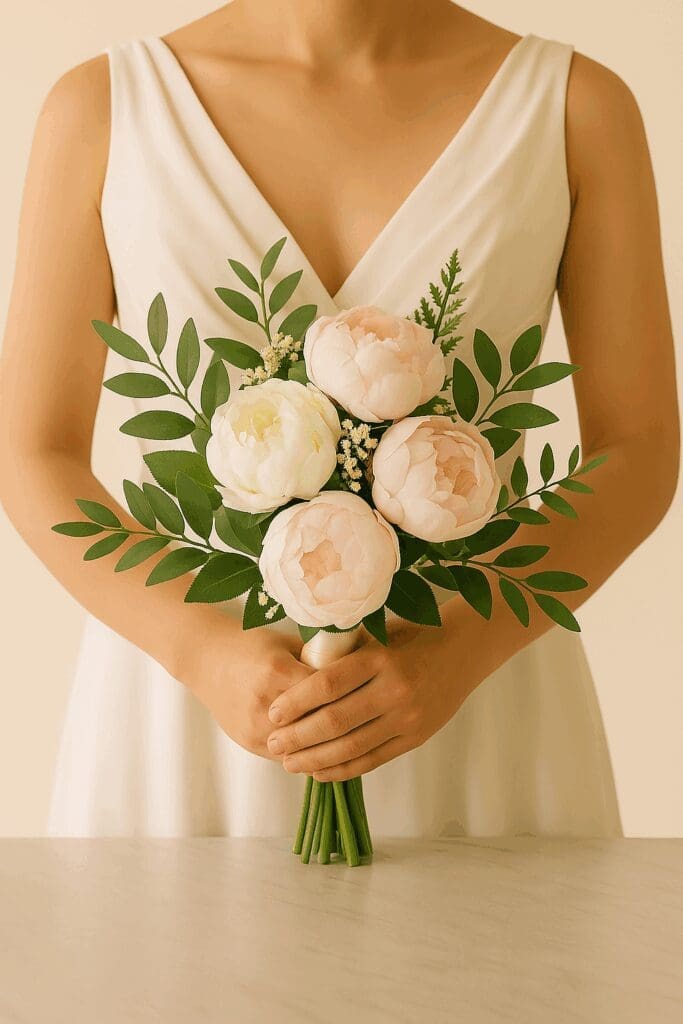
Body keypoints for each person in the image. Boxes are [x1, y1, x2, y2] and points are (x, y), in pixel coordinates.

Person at [0, 1, 678, 838]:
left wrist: (455, 655)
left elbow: (639, 447)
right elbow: (32, 452)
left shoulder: (574, 107)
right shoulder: (102, 107)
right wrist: (197, 650)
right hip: (183, 716)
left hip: (478, 700)